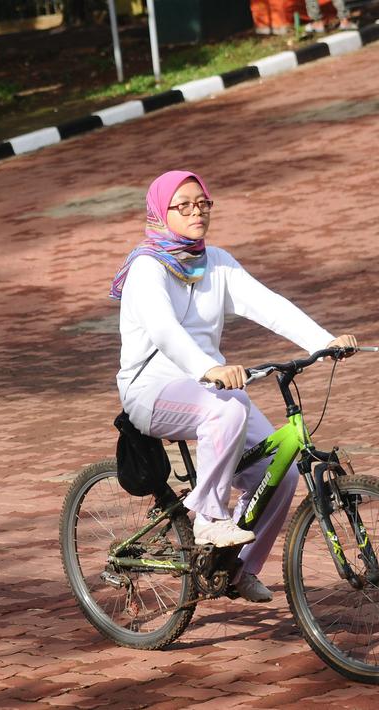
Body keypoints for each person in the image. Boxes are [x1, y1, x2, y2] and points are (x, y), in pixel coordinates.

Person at [110, 170, 357, 603]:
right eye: (182, 205)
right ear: (160, 213)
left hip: (209, 388)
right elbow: (166, 331)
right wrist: (208, 368)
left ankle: (238, 568)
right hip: (150, 390)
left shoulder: (216, 262)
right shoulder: (147, 269)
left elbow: (268, 305)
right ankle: (207, 514)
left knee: (280, 470)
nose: (196, 212)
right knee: (228, 409)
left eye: (202, 203)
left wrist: (324, 342)